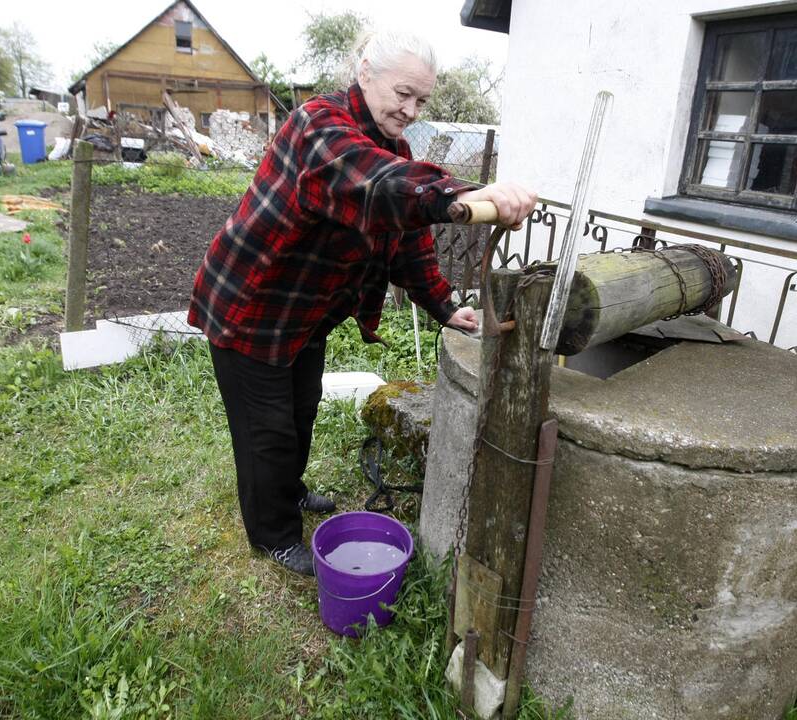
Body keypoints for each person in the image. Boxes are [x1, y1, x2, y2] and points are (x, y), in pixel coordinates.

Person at [187, 30, 537, 576]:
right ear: (365, 71)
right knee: (268, 430)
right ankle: (273, 535)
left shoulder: (394, 148)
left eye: (422, 100)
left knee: (300, 412)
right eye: (403, 93)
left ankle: (289, 492)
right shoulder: (318, 126)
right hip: (250, 304)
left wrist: (444, 305)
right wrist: (461, 194)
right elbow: (374, 183)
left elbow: (408, 242)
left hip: (304, 314)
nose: (412, 109)